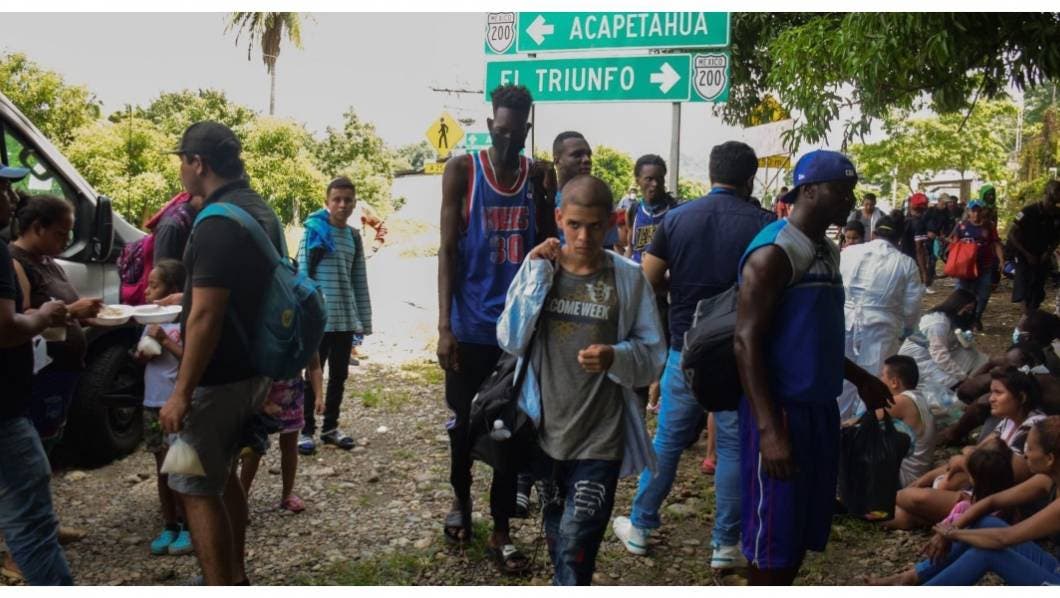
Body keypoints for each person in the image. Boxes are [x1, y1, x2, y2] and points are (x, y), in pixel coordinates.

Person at [612, 141, 776, 572]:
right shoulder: (765, 224)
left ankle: (641, 526)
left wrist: (681, 285)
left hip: (685, 347)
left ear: (710, 174)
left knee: (667, 440)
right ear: (750, 179)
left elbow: (648, 279)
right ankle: (725, 544)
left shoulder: (678, 218)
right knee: (732, 446)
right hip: (739, 352)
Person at [496, 174, 666, 585]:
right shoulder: (541, 267)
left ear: (611, 221)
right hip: (545, 433)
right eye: (574, 225)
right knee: (558, 536)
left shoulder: (627, 278)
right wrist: (537, 274)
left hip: (600, 439)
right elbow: (510, 338)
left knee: (577, 547)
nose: (584, 236)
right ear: (559, 218)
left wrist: (614, 356)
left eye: (594, 225)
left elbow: (653, 356)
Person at [733, 150, 893, 585]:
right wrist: (769, 429)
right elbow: (746, 341)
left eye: (851, 191)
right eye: (840, 190)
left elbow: (812, 334)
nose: (849, 200)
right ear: (808, 191)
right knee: (772, 538)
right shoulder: (774, 252)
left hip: (820, 408)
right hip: (782, 410)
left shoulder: (826, 251)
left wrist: (860, 378)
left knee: (801, 527)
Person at [436, 84, 552, 574]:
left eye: (516, 132)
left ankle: (501, 528)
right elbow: (448, 250)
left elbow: (548, 246)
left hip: (517, 331)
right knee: (464, 424)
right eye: (500, 130)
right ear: (489, 126)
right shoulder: (462, 171)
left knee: (510, 429)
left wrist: (546, 193)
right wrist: (444, 325)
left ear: (527, 130)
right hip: (470, 326)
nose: (507, 139)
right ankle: (460, 499)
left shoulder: (535, 176)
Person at [160, 121, 282, 585]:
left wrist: (181, 393)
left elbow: (207, 316)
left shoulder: (215, 222)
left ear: (199, 163)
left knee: (194, 487)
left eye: (182, 160)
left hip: (216, 378)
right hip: (255, 368)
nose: (180, 170)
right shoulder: (259, 209)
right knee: (224, 474)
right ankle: (236, 577)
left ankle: (219, 585)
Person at [874, 416, 1060, 585]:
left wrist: (953, 534)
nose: (1025, 455)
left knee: (987, 552)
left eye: (1030, 449)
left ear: (1050, 459)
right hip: (1054, 567)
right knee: (984, 521)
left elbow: (1005, 538)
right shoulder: (1047, 479)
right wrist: (954, 527)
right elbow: (991, 501)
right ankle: (913, 576)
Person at [0, 163, 72, 585]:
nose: (13, 199)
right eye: (4, 189)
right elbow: (7, 328)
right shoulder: (6, 257)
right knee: (32, 526)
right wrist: (44, 315)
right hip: (5, 410)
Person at [889, 366, 1047, 530]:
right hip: (982, 492)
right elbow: (977, 455)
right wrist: (923, 480)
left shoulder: (1034, 428)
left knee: (916, 498)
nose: (991, 399)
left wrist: (963, 460)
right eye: (991, 392)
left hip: (1002, 503)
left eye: (998, 393)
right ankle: (893, 509)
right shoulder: (1008, 421)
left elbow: (1007, 476)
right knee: (903, 516)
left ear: (1021, 397)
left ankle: (882, 503)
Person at [9, 194, 103, 455]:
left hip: (62, 373)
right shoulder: (15, 261)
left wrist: (88, 314)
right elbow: (22, 317)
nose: (67, 240)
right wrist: (72, 311)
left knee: (50, 439)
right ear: (38, 228)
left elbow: (66, 309)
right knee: (32, 448)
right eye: (61, 234)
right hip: (39, 375)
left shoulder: (49, 262)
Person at [868, 439, 1017, 585]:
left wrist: (949, 533)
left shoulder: (982, 506)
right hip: (956, 514)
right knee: (900, 514)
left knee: (911, 503)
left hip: (964, 526)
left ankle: (911, 577)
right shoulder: (979, 500)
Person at [296, 176, 373, 454]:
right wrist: (304, 315)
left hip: (344, 319)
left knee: (339, 375)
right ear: (327, 202)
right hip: (318, 320)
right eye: (337, 199)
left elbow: (359, 279)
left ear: (354, 204)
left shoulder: (353, 236)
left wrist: (363, 320)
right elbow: (302, 274)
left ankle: (330, 428)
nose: (342, 205)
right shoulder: (314, 232)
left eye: (347, 200)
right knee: (311, 374)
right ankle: (305, 430)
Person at [835, 215, 923, 420]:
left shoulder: (849, 252)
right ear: (899, 239)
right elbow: (912, 306)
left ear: (873, 233)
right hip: (881, 328)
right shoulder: (906, 263)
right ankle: (862, 427)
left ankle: (838, 424)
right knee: (874, 380)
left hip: (845, 321)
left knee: (844, 375)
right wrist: (908, 328)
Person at [134, 259, 193, 557]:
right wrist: (144, 352)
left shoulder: (186, 320)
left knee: (181, 467)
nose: (147, 291)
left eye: (154, 286)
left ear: (173, 290)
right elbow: (142, 357)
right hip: (152, 402)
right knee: (162, 470)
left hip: (176, 404)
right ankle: (170, 524)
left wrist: (165, 342)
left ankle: (189, 526)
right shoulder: (150, 321)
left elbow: (192, 359)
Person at [238, 357, 323, 514]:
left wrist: (319, 396)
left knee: (290, 446)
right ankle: (241, 498)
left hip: (292, 397)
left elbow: (315, 367)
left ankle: (287, 495)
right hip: (262, 397)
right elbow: (254, 369)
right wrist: (265, 403)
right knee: (254, 448)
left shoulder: (307, 342)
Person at [898, 289, 988, 392]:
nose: (968, 313)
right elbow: (940, 356)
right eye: (967, 309)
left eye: (971, 310)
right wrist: (962, 377)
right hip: (917, 359)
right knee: (953, 375)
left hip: (930, 355)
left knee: (973, 355)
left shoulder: (949, 319)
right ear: (957, 305)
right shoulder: (938, 324)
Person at [876, 355, 937, 487]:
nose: (880, 380)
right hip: (919, 472)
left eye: (882, 376)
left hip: (905, 478)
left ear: (894, 382)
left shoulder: (901, 402)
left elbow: (863, 420)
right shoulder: (918, 397)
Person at [951, 199, 1005, 330]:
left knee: (984, 294)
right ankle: (959, 319)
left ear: (983, 212)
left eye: (979, 211)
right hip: (965, 267)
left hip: (984, 266)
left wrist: (1001, 260)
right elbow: (954, 244)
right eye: (973, 211)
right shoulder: (962, 225)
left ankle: (976, 318)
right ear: (968, 212)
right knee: (961, 293)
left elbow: (996, 243)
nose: (976, 214)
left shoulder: (989, 226)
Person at [1008, 181, 1060, 315]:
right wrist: (1026, 254)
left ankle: (1032, 314)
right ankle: (1027, 317)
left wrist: (1048, 252)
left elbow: (1057, 238)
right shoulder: (1027, 212)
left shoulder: (1057, 214)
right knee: (1023, 288)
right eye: (1056, 190)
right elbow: (1012, 233)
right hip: (1023, 254)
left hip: (1042, 255)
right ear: (1047, 192)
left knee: (1037, 289)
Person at [624, 154, 679, 264]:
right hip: (638, 272)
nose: (655, 184)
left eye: (660, 178)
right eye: (649, 179)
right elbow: (630, 248)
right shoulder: (633, 210)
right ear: (638, 181)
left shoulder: (675, 211)